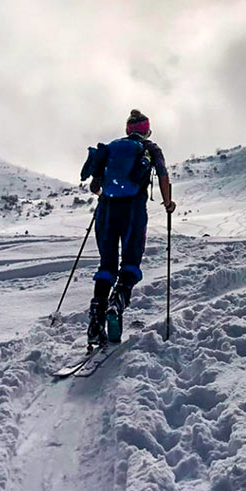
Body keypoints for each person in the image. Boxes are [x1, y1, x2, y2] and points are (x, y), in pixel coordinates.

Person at [80, 110, 175, 351]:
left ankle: (96, 317)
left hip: (107, 211)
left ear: (127, 129)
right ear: (146, 130)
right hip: (133, 211)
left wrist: (105, 197)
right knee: (131, 262)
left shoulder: (111, 148)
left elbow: (94, 186)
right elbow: (163, 175)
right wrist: (168, 203)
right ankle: (118, 302)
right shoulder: (151, 149)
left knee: (107, 265)